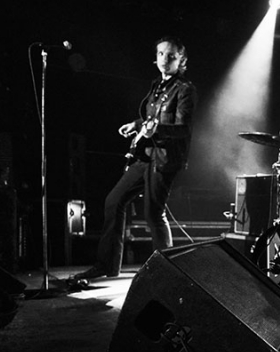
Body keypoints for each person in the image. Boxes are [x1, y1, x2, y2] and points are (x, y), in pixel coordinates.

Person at [72, 36, 197, 281]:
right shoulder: (158, 86)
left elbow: (182, 128)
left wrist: (156, 131)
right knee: (114, 201)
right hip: (145, 156)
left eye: (171, 56)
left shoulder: (185, 89)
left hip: (164, 158)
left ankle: (167, 272)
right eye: (161, 54)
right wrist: (136, 124)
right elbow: (153, 118)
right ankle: (107, 265)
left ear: (181, 60)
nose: (165, 59)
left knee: (153, 214)